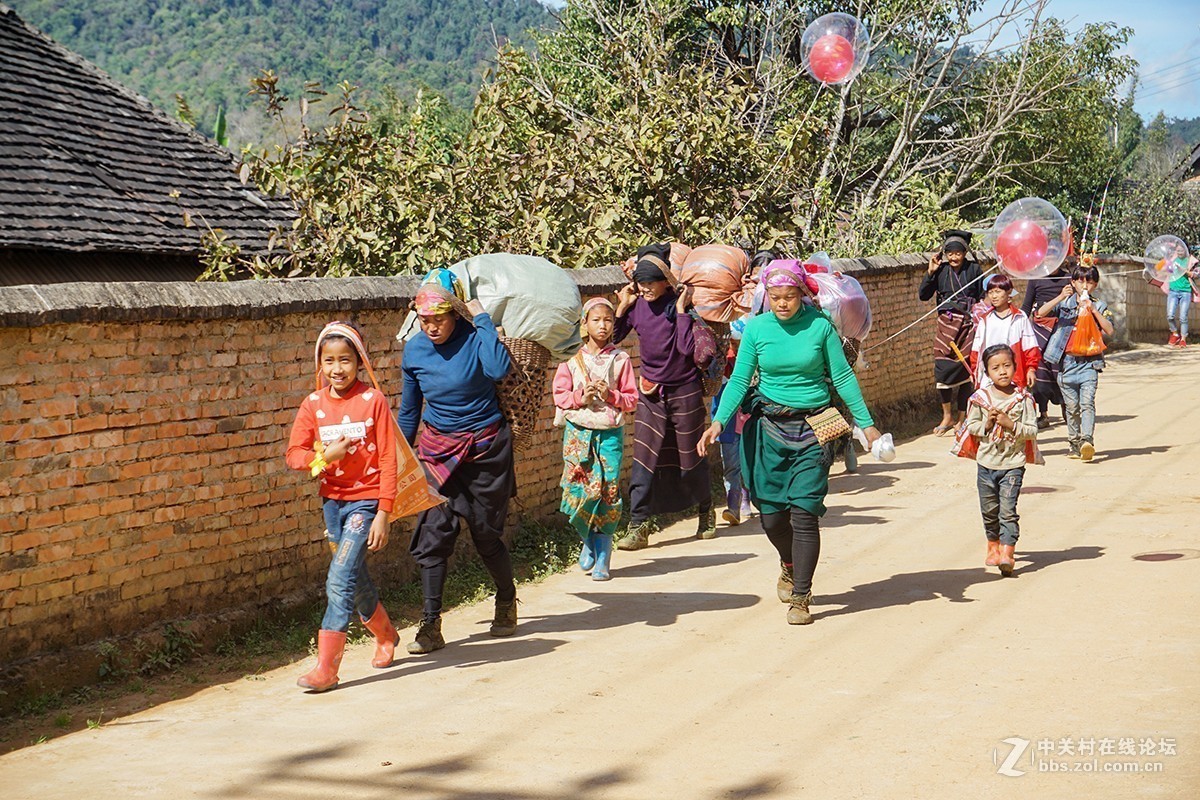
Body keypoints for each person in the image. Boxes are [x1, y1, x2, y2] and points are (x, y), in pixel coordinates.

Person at [699, 260, 882, 626]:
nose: (783, 304)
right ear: (767, 297)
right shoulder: (757, 329)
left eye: (790, 296)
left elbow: (842, 377)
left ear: (802, 294)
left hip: (816, 426)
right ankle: (788, 563)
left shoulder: (820, 328)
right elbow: (739, 381)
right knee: (771, 519)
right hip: (768, 429)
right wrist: (718, 422)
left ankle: (801, 595)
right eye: (776, 297)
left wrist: (868, 425)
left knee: (804, 513)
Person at [398, 273, 518, 654]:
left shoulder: (475, 339)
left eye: (439, 318)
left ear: (456, 314)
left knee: (485, 535)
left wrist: (481, 317)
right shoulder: (414, 351)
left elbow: (499, 370)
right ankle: (430, 625)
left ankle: (506, 599)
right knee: (433, 534)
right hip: (437, 453)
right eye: (424, 319)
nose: (431, 326)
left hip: (485, 450)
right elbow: (408, 413)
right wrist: (398, 459)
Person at [285, 321, 400, 692]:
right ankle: (385, 634)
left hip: (365, 503)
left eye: (346, 360)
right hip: (332, 503)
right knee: (354, 574)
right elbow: (294, 455)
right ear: (320, 364)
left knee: (338, 577)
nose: (338, 369)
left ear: (359, 361)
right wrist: (324, 457)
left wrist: (384, 512)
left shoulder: (373, 401)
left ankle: (326, 669)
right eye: (330, 360)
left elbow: (388, 458)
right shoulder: (313, 405)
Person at [613, 243, 716, 550]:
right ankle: (638, 525)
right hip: (650, 393)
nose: (645, 288)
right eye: (640, 283)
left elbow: (687, 350)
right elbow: (614, 336)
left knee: (691, 455)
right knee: (644, 457)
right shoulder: (638, 306)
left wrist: (683, 310)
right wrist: (622, 305)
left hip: (685, 391)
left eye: (650, 283)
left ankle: (705, 512)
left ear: (665, 282)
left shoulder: (679, 306)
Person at [553, 298, 638, 581]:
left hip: (609, 434)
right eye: (596, 320)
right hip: (578, 434)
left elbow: (631, 399)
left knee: (607, 491)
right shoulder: (571, 361)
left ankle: (603, 555)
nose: (603, 326)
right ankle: (587, 538)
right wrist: (582, 397)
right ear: (584, 324)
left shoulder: (621, 360)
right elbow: (560, 396)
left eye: (608, 320)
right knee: (578, 489)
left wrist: (611, 395)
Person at [963, 343, 1040, 577]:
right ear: (987, 372)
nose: (1003, 371)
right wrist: (987, 424)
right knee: (989, 510)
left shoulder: (1023, 399)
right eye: (996, 368)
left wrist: (1010, 424)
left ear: (1016, 367)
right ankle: (993, 547)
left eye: (1007, 366)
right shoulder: (980, 399)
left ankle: (1008, 553)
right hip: (986, 464)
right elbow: (972, 426)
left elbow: (1032, 430)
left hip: (1012, 465)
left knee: (1007, 510)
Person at [1037, 263, 1115, 462]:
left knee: (1087, 403)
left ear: (1095, 285)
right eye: (1080, 280)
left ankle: (1087, 440)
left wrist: (1092, 310)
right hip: (1066, 363)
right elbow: (1040, 313)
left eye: (1089, 281)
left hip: (1089, 363)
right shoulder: (1064, 304)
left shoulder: (1100, 305)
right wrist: (1061, 297)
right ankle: (1074, 443)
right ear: (1073, 283)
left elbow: (1110, 330)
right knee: (1071, 407)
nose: (1085, 285)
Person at [919, 230, 985, 435]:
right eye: (950, 253)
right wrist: (930, 273)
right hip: (946, 325)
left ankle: (961, 418)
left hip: (967, 325)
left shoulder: (975, 269)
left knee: (965, 370)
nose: (954, 257)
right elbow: (923, 295)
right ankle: (946, 415)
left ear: (965, 253)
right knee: (942, 368)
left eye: (958, 253)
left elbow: (983, 296)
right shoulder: (940, 270)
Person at [711, 316, 754, 525]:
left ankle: (749, 496)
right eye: (734, 343)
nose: (736, 347)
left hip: (751, 424)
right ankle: (733, 506)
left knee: (752, 464)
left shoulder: (757, 361)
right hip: (728, 425)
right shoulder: (722, 363)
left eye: (740, 343)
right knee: (731, 466)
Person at [1021, 259, 1072, 427]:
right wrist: (1018, 327)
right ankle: (1043, 414)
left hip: (1063, 330)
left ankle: (1067, 407)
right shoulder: (1036, 279)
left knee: (1061, 372)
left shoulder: (1069, 278)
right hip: (1040, 331)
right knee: (1040, 374)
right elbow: (1027, 307)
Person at [968, 274, 1041, 390]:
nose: (994, 296)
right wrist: (975, 371)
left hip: (1015, 375)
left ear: (1009, 292)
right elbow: (976, 350)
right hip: (990, 376)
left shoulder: (1020, 317)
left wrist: (1031, 369)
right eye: (990, 292)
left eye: (997, 292)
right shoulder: (985, 320)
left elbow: (1030, 346)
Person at [1164, 242, 1200, 347]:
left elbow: (1195, 275)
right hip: (1173, 291)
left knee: (1183, 317)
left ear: (1186, 250)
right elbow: (1166, 272)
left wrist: (1182, 270)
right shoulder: (1172, 259)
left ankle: (1183, 339)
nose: (1179, 252)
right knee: (1170, 315)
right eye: (1178, 250)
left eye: (1181, 250)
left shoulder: (1190, 261)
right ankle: (1175, 333)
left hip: (1185, 292)